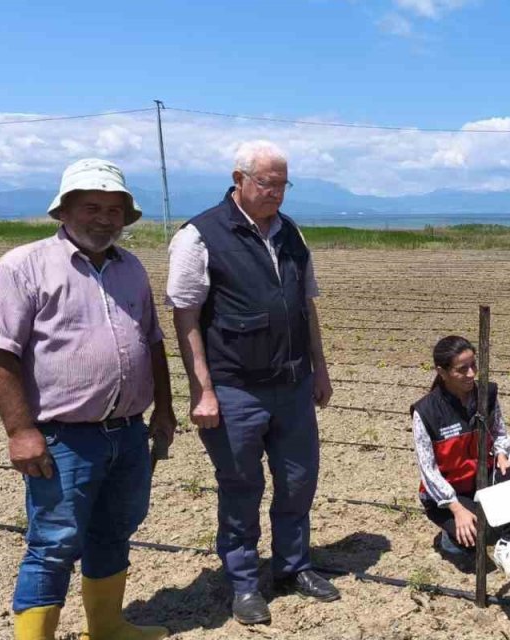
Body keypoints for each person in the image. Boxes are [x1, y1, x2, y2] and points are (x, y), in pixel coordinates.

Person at [0, 158, 176, 640]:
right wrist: (22, 432)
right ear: (63, 210)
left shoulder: (131, 269)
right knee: (53, 544)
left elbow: (151, 341)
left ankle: (107, 627)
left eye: (114, 209)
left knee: (115, 531)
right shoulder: (23, 266)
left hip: (127, 433)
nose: (105, 218)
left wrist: (165, 410)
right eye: (92, 206)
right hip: (63, 438)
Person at [166, 140, 337, 626]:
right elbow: (186, 317)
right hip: (235, 387)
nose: (277, 194)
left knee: (299, 482)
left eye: (283, 185)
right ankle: (243, 583)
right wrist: (202, 390)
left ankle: (292, 567)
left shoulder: (291, 234)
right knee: (241, 487)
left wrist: (319, 369)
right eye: (268, 183)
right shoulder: (199, 236)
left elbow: (307, 307)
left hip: (292, 384)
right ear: (238, 178)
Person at [411, 335, 510, 577]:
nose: (471, 373)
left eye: (474, 365)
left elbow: (499, 432)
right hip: (447, 494)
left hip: (479, 480)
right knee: (475, 535)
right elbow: (428, 470)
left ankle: (507, 545)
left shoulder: (487, 394)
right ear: (442, 372)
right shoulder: (426, 411)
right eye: (462, 369)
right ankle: (449, 539)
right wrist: (456, 509)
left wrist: (502, 456)